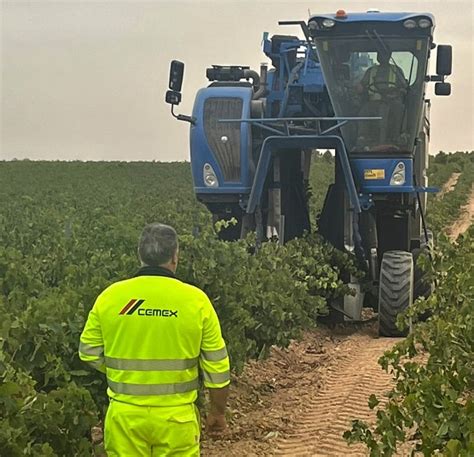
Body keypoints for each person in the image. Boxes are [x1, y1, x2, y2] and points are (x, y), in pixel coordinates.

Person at [79, 223, 230, 456]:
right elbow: (218, 370)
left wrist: (126, 373)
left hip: (125, 418)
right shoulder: (196, 301)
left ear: (140, 255)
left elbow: (88, 352)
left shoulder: (110, 297)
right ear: (175, 257)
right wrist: (217, 412)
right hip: (177, 419)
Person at [356, 51, 408, 147]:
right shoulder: (371, 71)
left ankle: (400, 136)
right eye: (380, 54)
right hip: (374, 102)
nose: (382, 56)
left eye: (384, 53)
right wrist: (358, 87)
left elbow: (404, 87)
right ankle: (362, 137)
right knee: (364, 110)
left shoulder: (396, 70)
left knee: (401, 109)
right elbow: (361, 85)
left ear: (389, 55)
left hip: (392, 101)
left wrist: (396, 93)